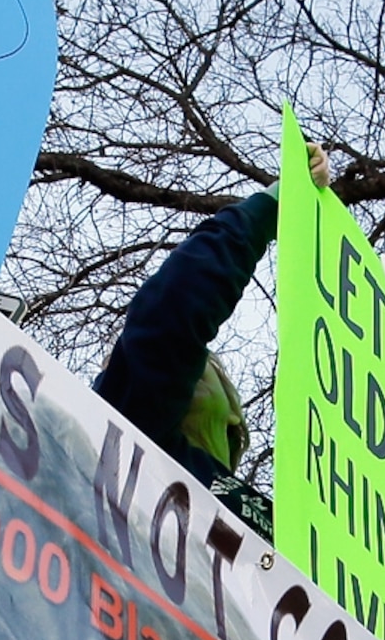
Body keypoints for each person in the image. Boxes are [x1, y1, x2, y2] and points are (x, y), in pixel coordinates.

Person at [93, 145, 338, 535]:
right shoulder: (135, 434)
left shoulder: (270, 520)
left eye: (199, 364)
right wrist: (272, 206)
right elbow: (175, 312)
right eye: (189, 362)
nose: (189, 367)